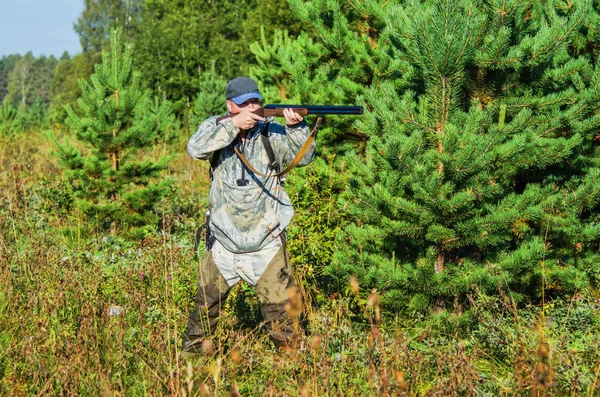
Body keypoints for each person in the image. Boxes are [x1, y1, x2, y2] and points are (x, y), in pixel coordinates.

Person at [182, 77, 315, 354]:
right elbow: (195, 149)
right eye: (244, 104)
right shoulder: (215, 126)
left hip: (266, 240)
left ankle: (291, 370)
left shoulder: (271, 131)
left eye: (256, 101)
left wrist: (297, 128)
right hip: (224, 238)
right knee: (204, 312)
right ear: (230, 105)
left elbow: (303, 158)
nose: (252, 107)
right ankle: (193, 367)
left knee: (281, 316)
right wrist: (233, 125)